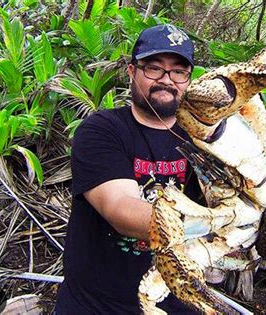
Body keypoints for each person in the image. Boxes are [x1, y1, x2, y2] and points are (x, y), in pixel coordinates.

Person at [55, 24, 203, 314]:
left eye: (178, 71)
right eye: (154, 68)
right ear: (132, 72)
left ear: (188, 79)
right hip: (96, 305)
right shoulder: (102, 130)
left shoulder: (203, 139)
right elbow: (120, 210)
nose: (167, 80)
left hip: (178, 301)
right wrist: (226, 225)